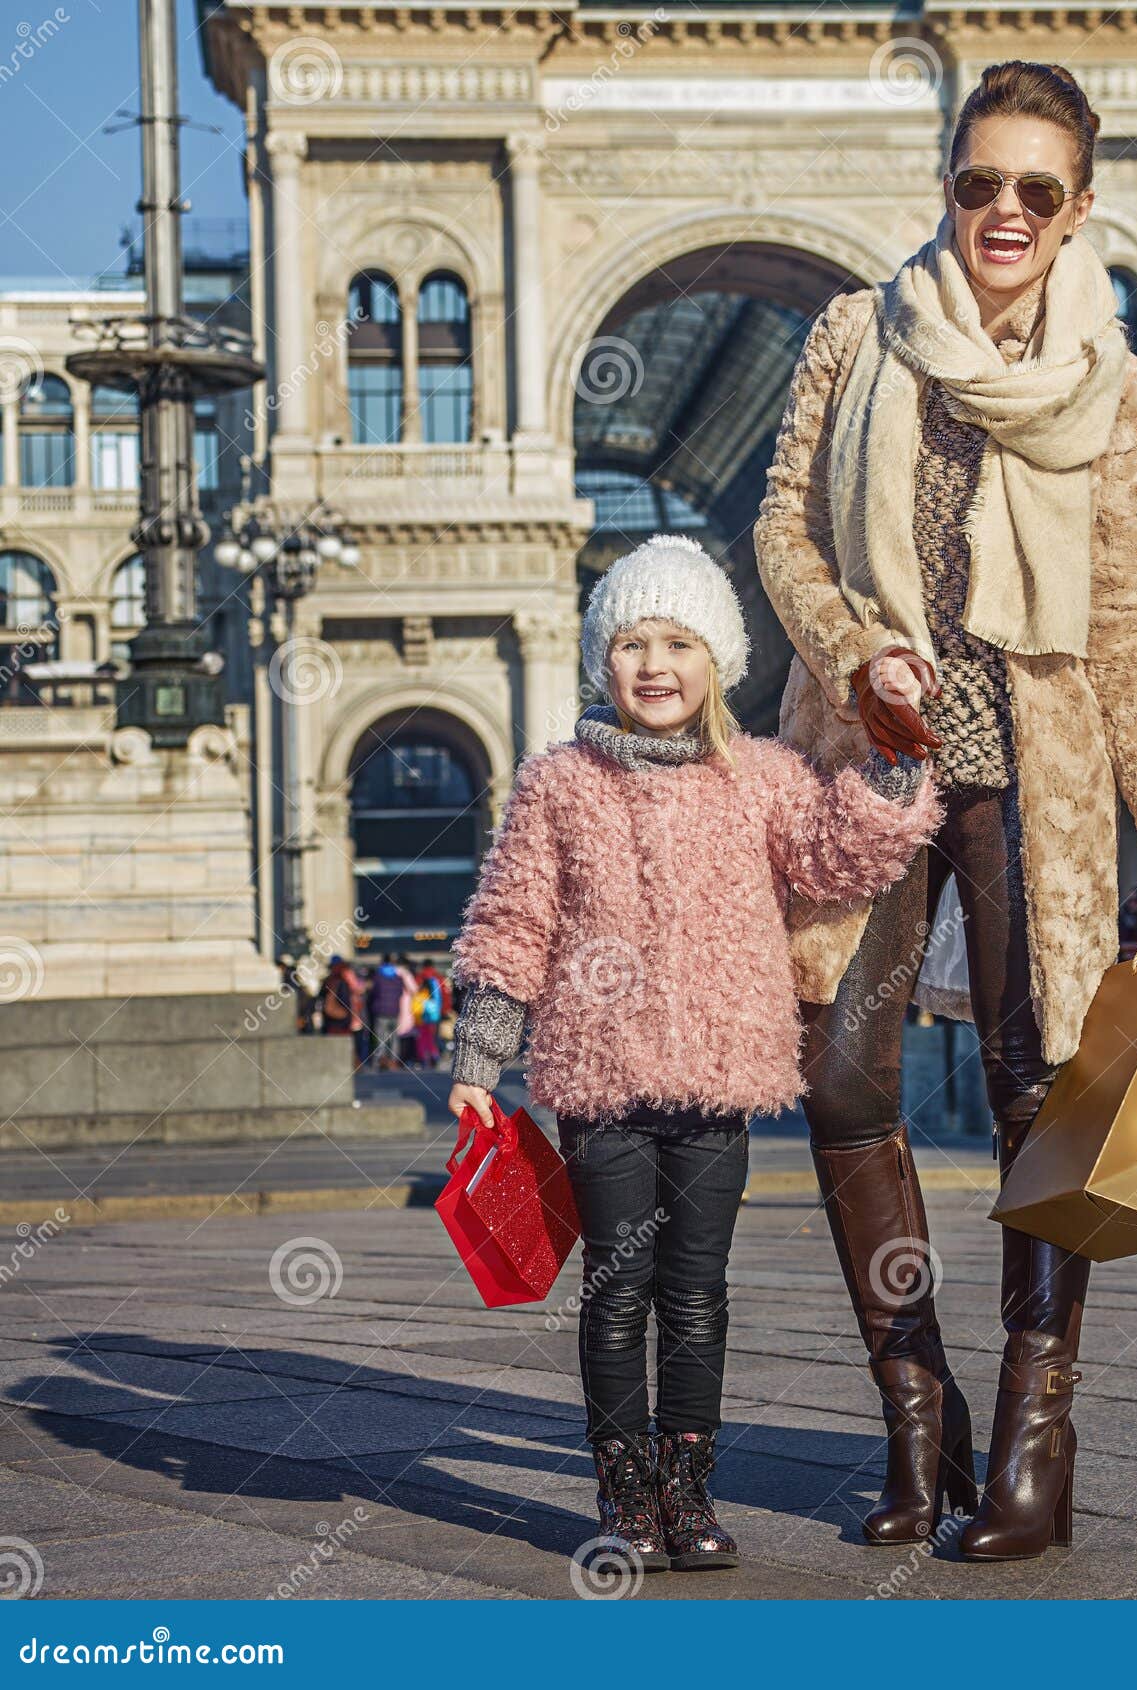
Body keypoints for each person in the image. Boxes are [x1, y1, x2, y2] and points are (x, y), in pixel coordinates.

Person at [754, 59, 1137, 1560]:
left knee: (1043, 1092)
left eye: (1037, 189)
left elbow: (1125, 616)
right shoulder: (855, 333)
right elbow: (779, 524)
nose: (1004, 210)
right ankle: (920, 1412)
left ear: (1077, 204)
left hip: (1039, 764)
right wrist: (853, 650)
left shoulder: (1115, 384)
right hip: (875, 754)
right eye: (980, 183)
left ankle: (1037, 1424)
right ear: (947, 188)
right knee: (842, 1077)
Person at [446, 535, 942, 1574]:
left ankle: (689, 1488)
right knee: (617, 1289)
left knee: (699, 1290)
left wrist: (895, 769)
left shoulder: (759, 777)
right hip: (602, 1081)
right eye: (631, 642)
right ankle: (624, 1494)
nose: (655, 663)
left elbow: (834, 855)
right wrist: (480, 1053)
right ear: (602, 661)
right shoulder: (557, 784)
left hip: (720, 1074)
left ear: (717, 661)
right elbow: (512, 915)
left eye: (679, 642)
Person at [319, 955, 366, 1069]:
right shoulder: (343, 981)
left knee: (334, 1044)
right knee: (346, 1042)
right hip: (342, 1018)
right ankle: (351, 1063)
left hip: (330, 1019)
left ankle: (339, 1064)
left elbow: (320, 997)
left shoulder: (329, 980)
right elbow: (350, 997)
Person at [367, 955, 409, 1071]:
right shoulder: (397, 977)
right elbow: (400, 993)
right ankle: (393, 1061)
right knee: (394, 1038)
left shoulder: (378, 977)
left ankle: (379, 1061)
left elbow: (373, 993)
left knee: (381, 1037)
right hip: (394, 1011)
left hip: (380, 1012)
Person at [411, 962, 447, 1068]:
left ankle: (424, 1059)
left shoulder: (420, 981)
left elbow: (415, 1007)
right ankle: (434, 1057)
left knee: (423, 1040)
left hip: (422, 1019)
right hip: (434, 1017)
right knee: (432, 1039)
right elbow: (442, 998)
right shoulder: (437, 979)